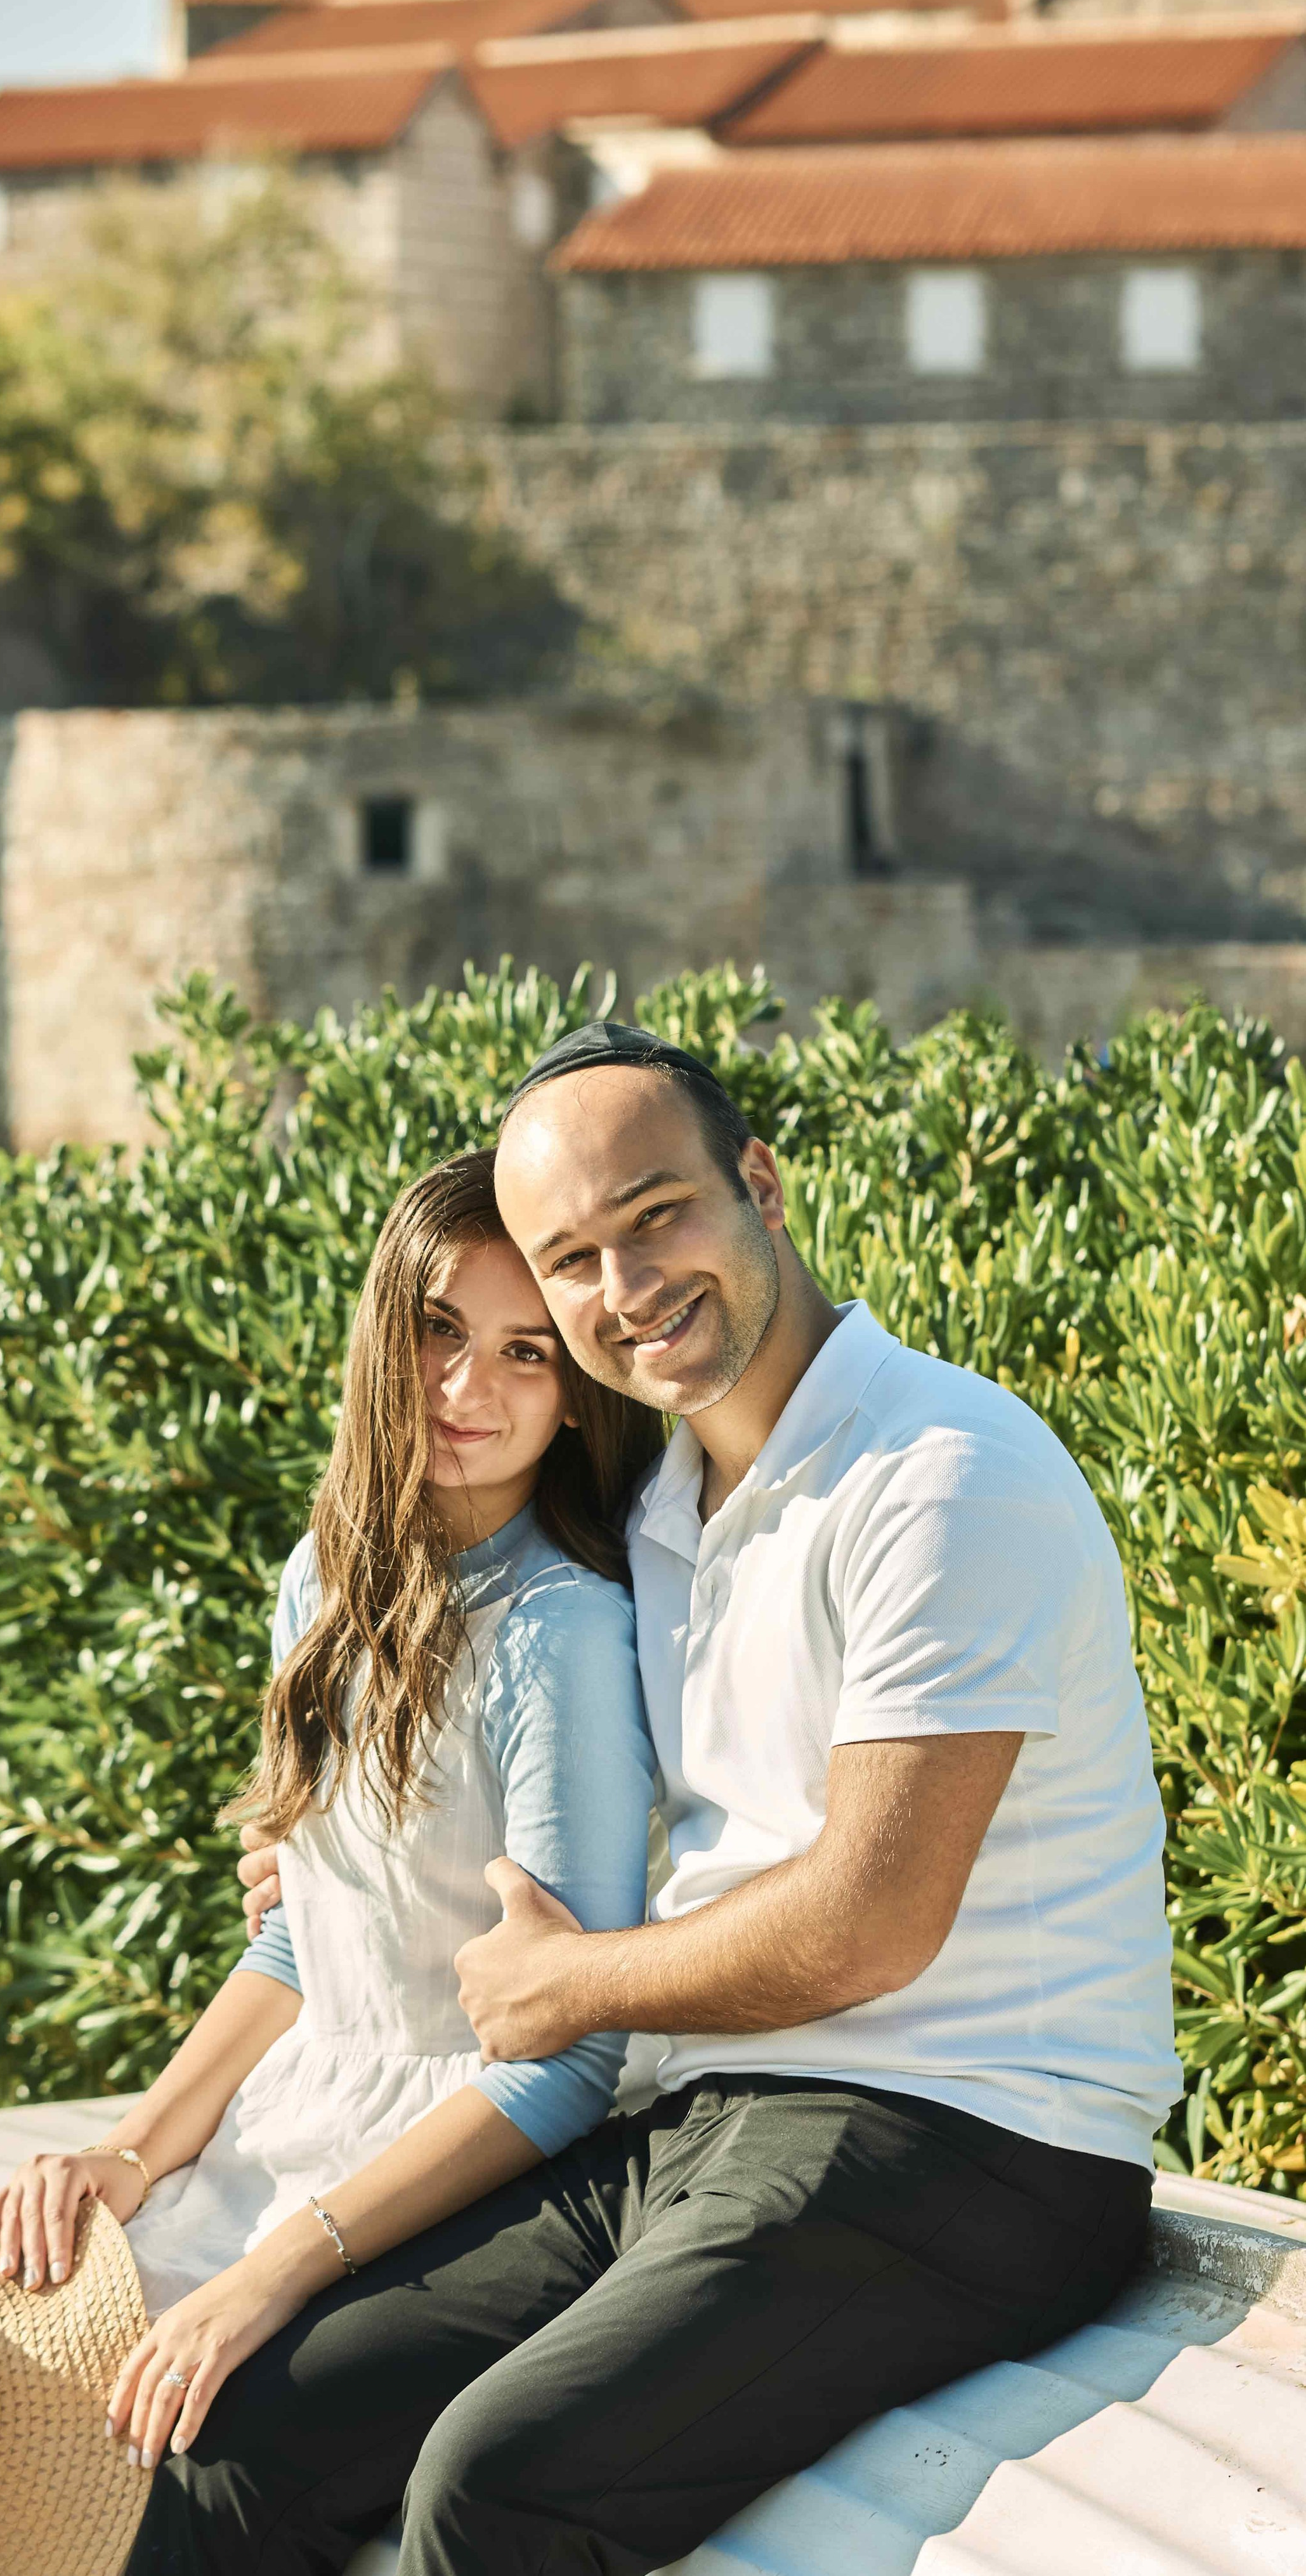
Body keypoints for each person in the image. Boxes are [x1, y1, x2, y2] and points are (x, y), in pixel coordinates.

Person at [138, 1022, 1181, 2576]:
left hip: (967, 2141)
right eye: (574, 1259)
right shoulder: (667, 1511)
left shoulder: (944, 1472)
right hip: (699, 2120)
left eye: (657, 1215)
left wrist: (567, 1983)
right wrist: (340, 1871)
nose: (625, 1285)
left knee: (499, 2481)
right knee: (242, 2428)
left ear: (757, 1180)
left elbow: (867, 1922)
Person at [0, 1147, 661, 2488]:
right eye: (438, 1330)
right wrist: (127, 2151)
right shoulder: (322, 1579)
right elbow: (300, 1948)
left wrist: (275, 2273)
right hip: (288, 2120)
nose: (468, 1390)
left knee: (173, 2440)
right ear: (382, 1330)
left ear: (580, 1401)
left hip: (449, 2161)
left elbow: (566, 2062)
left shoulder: (561, 1635)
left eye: (528, 1355)